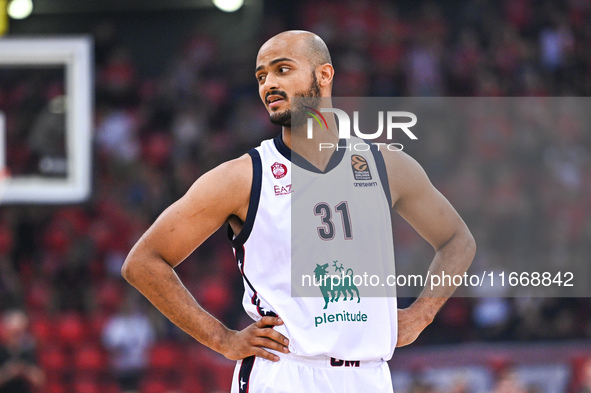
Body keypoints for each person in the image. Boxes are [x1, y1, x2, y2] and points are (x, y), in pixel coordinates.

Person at [122, 30, 476, 392]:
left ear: (323, 75)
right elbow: (144, 261)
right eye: (261, 76)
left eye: (282, 69)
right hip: (285, 373)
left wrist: (422, 314)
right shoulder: (242, 177)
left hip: (369, 376)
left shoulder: (386, 165)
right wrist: (222, 339)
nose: (269, 85)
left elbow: (457, 240)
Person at [0, 310, 44, 393]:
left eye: (21, 332)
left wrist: (25, 370)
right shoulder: (1, 351)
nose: (18, 335)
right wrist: (9, 372)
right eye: (15, 332)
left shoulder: (27, 351)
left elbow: (39, 380)